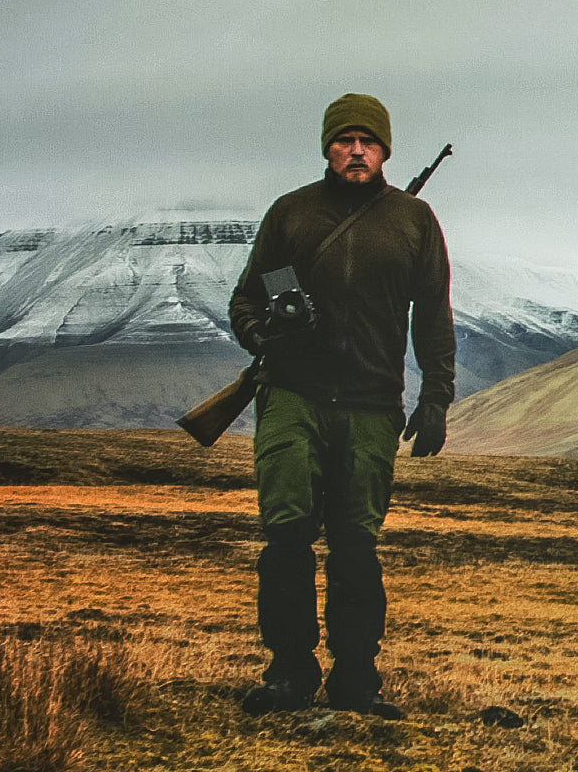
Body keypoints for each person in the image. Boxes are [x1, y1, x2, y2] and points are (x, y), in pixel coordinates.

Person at [228, 92, 454, 719]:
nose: (356, 150)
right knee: (287, 539)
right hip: (291, 397)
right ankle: (289, 673)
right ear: (327, 147)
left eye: (368, 141)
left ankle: (357, 678)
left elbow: (433, 314)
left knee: (357, 545)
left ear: (385, 150)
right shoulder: (290, 214)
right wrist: (265, 334)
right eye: (344, 140)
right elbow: (244, 303)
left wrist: (436, 396)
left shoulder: (413, 220)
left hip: (370, 405)